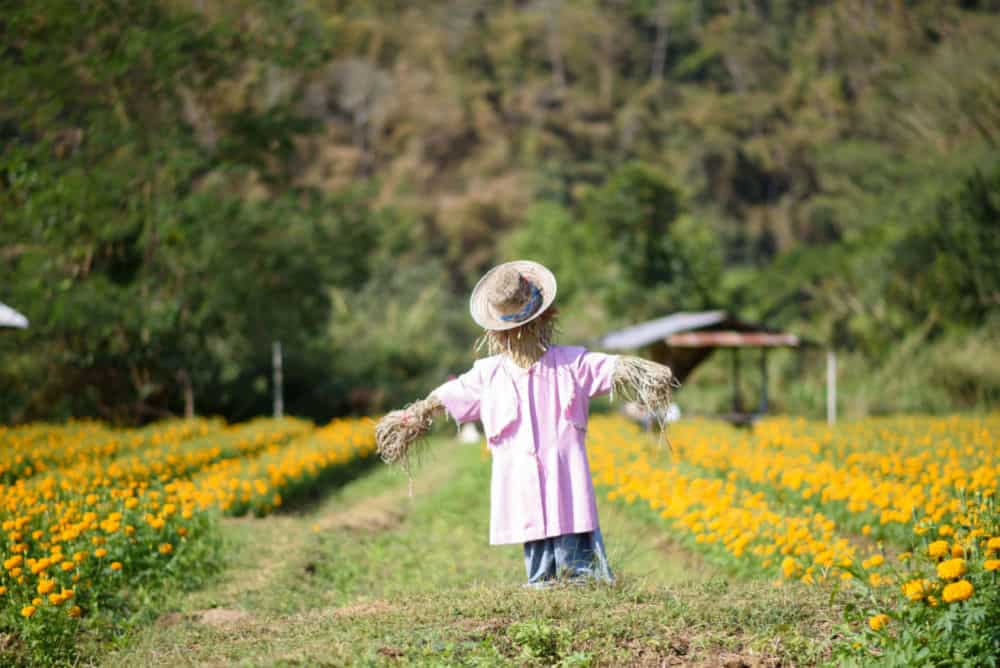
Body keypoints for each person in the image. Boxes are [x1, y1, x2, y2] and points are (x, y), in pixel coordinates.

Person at [375, 260, 676, 587]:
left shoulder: (571, 363)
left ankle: (584, 583)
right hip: (524, 488)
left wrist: (645, 372)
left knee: (581, 568)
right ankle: (544, 585)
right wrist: (412, 416)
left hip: (567, 486)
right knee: (539, 561)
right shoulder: (487, 376)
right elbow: (444, 397)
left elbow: (612, 367)